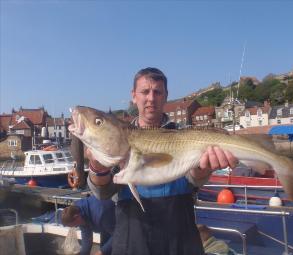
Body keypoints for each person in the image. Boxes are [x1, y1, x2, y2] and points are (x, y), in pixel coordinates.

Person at [86, 67, 238, 255]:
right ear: (133, 96)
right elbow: (102, 192)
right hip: (133, 242)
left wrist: (204, 170)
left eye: (157, 92)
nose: (151, 98)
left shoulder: (185, 136)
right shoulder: (117, 138)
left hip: (180, 240)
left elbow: (194, 179)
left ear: (166, 96)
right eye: (144, 92)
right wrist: (96, 166)